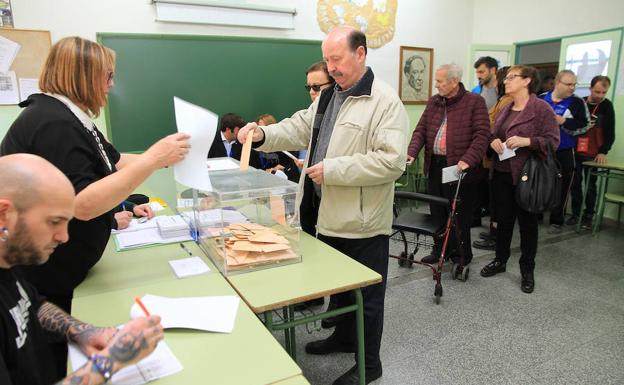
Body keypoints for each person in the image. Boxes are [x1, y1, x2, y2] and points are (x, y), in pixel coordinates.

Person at [0, 36, 188, 376]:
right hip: (52, 276)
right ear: (83, 75)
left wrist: (161, 160)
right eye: (108, 75)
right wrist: (153, 159)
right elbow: (82, 204)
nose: (111, 85)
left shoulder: (72, 118)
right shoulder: (54, 122)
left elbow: (114, 164)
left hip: (57, 283)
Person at [238, 27, 408, 385]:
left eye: (337, 59)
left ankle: (369, 365)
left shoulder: (384, 101)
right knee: (342, 288)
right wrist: (264, 135)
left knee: (367, 296)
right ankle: (342, 338)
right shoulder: (330, 95)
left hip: (362, 220)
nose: (330, 68)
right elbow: (302, 127)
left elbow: (392, 162)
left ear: (360, 54)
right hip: (324, 212)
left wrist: (334, 170)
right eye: (327, 59)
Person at [0, 153, 164, 385]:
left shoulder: (9, 259)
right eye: (54, 222)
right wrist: (113, 359)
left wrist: (83, 331)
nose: (64, 237)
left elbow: (32, 305)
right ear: (3, 214)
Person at [480, 65, 559, 293]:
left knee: (528, 225)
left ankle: (527, 270)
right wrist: (492, 140)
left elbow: (553, 142)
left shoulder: (541, 109)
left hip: (528, 177)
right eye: (507, 78)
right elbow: (495, 133)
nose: (506, 81)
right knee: (502, 222)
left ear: (527, 81)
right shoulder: (507, 107)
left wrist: (528, 142)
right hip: (502, 175)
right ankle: (500, 260)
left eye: (512, 77)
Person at [407, 63, 490, 266]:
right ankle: (438, 250)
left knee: (459, 214)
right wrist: (411, 153)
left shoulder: (474, 102)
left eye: (440, 81)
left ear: (454, 82)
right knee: (437, 211)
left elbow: (482, 136)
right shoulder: (434, 102)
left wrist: (467, 161)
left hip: (459, 168)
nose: (436, 85)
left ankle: (461, 255)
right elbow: (420, 130)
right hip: (435, 164)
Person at [539, 70, 590, 233]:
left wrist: (564, 122)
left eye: (574, 84)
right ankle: (536, 214)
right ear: (557, 83)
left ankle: (556, 220)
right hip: (541, 149)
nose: (573, 88)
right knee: (539, 183)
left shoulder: (577, 102)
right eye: (569, 84)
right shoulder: (541, 99)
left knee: (563, 186)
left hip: (565, 150)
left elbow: (585, 125)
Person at [473, 66, 513, 251]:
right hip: (494, 157)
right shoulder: (503, 100)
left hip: (504, 158)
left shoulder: (508, 102)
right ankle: (493, 233)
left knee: (500, 203)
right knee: (494, 199)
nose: (501, 82)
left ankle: (497, 237)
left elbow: (493, 123)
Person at [569, 75, 616, 227]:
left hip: (594, 152)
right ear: (590, 88)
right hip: (576, 149)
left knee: (590, 185)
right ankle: (576, 214)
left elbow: (610, 132)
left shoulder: (607, 106)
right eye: (597, 92)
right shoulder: (580, 102)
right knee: (575, 183)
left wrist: (604, 151)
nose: (600, 96)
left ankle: (589, 215)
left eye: (604, 92)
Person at [256, 113, 301, 182]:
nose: (261, 131)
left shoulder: (285, 144)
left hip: (286, 181)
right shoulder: (257, 148)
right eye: (259, 127)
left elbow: (293, 168)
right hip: (265, 181)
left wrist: (283, 169)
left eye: (263, 128)